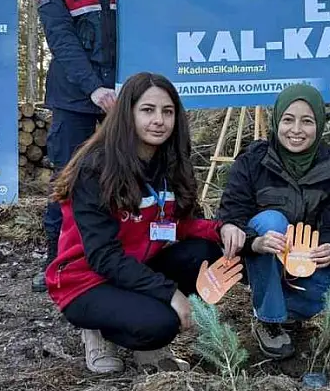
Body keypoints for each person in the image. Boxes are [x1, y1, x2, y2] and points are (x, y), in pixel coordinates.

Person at [45, 72, 247, 374]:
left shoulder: (169, 163)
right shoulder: (95, 168)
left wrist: (223, 229)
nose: (159, 121)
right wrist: (169, 293)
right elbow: (103, 256)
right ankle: (99, 329)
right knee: (161, 323)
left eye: (168, 111)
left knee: (204, 253)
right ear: (127, 114)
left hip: (134, 268)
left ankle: (141, 338)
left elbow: (178, 224)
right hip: (86, 280)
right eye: (147, 110)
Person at [33, 0, 140, 292]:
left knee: (128, 173)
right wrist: (93, 88)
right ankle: (57, 263)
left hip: (125, 95)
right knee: (69, 177)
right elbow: (60, 39)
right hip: (75, 96)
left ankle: (124, 254)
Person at [216, 84, 330, 360]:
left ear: (319, 124)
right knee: (271, 220)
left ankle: (288, 310)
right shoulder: (254, 160)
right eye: (288, 120)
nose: (296, 130)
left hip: (303, 260)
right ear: (277, 121)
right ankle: (269, 319)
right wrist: (255, 243)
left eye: (307, 121)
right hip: (255, 258)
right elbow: (231, 215)